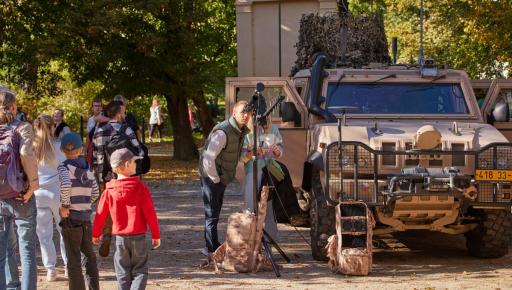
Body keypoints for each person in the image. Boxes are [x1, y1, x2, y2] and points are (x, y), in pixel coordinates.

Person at [93, 148, 161, 290]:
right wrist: (156, 235)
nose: (136, 165)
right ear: (126, 165)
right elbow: (150, 213)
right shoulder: (140, 188)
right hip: (139, 237)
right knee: (140, 270)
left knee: (122, 272)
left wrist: (96, 233)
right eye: (134, 162)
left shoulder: (109, 191)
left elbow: (100, 214)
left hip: (120, 238)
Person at [198, 100, 251, 264]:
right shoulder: (223, 132)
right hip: (211, 177)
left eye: (248, 112)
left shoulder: (240, 131)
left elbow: (232, 155)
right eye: (242, 112)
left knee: (215, 214)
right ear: (234, 113)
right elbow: (208, 158)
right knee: (211, 216)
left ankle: (214, 247)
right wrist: (215, 179)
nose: (246, 115)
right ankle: (211, 251)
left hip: (220, 177)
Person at [0, 86, 39, 290]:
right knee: (27, 252)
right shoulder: (22, 127)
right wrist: (33, 186)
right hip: (21, 195)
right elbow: (26, 154)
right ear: (13, 107)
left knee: (1, 253)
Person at [92, 100, 143, 257]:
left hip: (104, 175)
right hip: (124, 174)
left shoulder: (99, 129)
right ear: (119, 113)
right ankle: (126, 239)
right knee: (127, 206)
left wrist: (98, 174)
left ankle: (106, 235)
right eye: (123, 111)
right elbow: (138, 150)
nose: (125, 114)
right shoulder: (125, 128)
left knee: (107, 206)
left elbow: (96, 152)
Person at [58, 132, 99, 290]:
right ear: (80, 149)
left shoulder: (63, 167)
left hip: (70, 218)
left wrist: (65, 205)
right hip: (85, 217)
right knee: (89, 256)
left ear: (62, 150)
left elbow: (66, 185)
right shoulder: (88, 168)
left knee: (73, 258)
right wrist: (86, 203)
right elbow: (95, 192)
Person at [32, 114, 68, 282]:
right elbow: (65, 169)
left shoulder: (32, 148)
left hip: (38, 194)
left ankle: (50, 270)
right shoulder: (59, 147)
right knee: (64, 231)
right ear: (52, 127)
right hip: (57, 192)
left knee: (44, 235)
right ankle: (69, 267)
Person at [240, 114, 283, 242]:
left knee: (269, 207)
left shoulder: (274, 129)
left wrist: (276, 151)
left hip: (269, 172)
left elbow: (280, 152)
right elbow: (242, 157)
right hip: (252, 173)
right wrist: (253, 152)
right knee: (249, 207)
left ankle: (270, 241)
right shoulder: (246, 132)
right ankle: (249, 240)